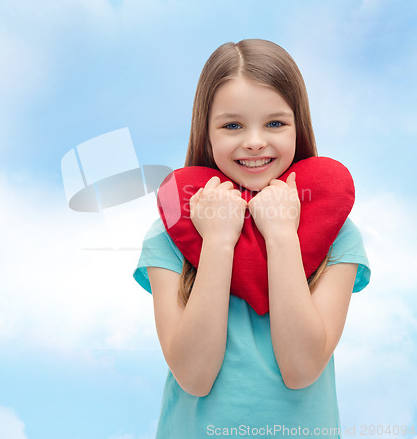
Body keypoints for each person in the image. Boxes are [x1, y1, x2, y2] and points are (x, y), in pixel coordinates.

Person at [133, 39, 371, 438]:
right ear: (206, 134)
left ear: (299, 127)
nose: (255, 141)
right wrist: (218, 242)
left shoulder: (337, 233)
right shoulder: (170, 232)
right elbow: (194, 377)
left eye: (275, 123)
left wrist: (281, 236)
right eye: (232, 125)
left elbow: (301, 369)